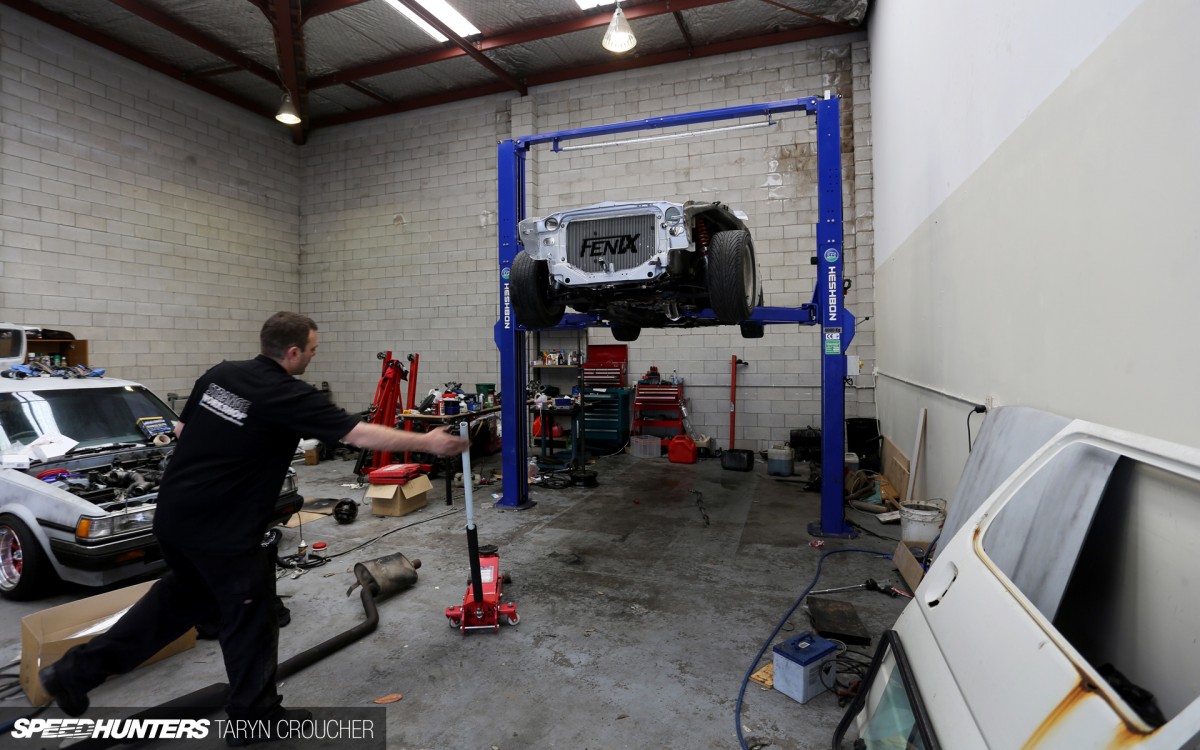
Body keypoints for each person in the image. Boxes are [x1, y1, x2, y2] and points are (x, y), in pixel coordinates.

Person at [39, 312, 468, 743]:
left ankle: (74, 673)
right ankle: (254, 718)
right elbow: (359, 436)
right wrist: (429, 442)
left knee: (175, 606)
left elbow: (181, 430)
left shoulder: (221, 375)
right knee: (252, 618)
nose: (313, 357)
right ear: (293, 351)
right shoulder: (289, 394)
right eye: (312, 350)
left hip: (173, 516)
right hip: (221, 531)